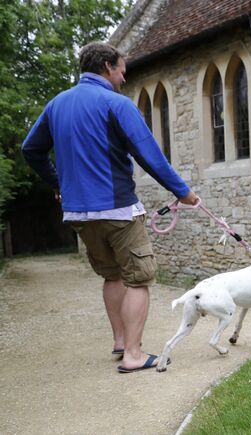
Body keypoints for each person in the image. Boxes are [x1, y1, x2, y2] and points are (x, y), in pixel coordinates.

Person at [21, 42, 198, 373]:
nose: (123, 79)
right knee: (140, 277)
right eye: (121, 72)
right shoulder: (116, 104)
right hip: (117, 210)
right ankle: (133, 354)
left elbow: (31, 149)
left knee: (113, 274)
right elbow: (150, 155)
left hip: (77, 215)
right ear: (107, 67)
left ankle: (120, 341)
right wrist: (183, 192)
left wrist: (58, 183)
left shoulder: (56, 104)